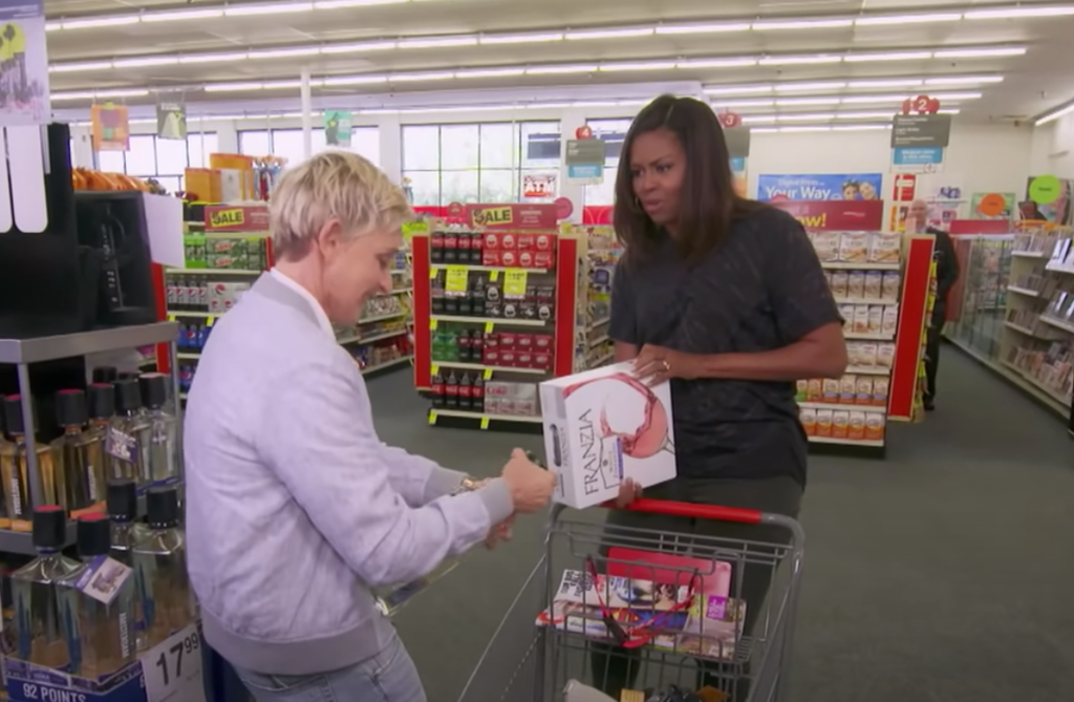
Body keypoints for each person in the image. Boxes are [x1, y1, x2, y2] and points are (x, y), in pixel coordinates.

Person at [183, 151, 557, 702]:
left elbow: (347, 457)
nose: (386, 283)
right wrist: (504, 496)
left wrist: (459, 487)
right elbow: (388, 550)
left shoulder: (245, 322)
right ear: (331, 238)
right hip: (320, 655)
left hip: (249, 635)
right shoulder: (305, 361)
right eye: (382, 258)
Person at [590, 94, 848, 699]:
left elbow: (827, 354)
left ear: (701, 166)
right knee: (608, 624)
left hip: (751, 463)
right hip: (658, 468)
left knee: (715, 638)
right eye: (636, 171)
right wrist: (614, 463)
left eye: (663, 168)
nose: (646, 186)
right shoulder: (636, 264)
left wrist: (699, 365)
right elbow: (627, 374)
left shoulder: (770, 236)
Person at [906, 199, 960, 411]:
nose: (917, 212)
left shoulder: (941, 238)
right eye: (914, 209)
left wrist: (936, 293)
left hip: (933, 304)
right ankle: (906, 392)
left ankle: (928, 394)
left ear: (927, 212)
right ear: (909, 212)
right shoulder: (904, 237)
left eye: (921, 209)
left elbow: (953, 271)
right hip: (908, 303)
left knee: (930, 348)